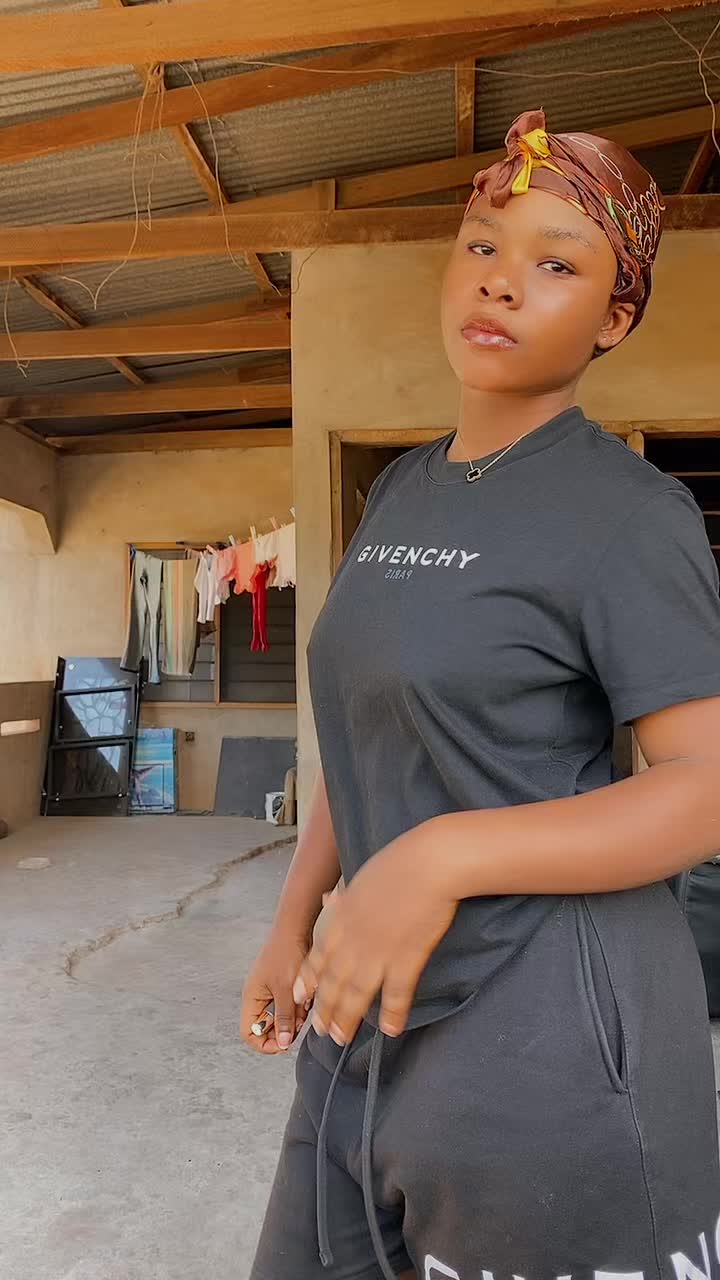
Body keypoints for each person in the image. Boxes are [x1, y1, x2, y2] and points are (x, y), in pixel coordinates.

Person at [241, 110, 720, 1280]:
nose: (502, 280)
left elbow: (706, 789)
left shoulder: (628, 514)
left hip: (551, 1039)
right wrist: (295, 913)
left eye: (557, 264)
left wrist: (440, 854)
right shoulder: (402, 490)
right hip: (365, 1013)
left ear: (614, 318)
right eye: (485, 245)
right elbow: (372, 727)